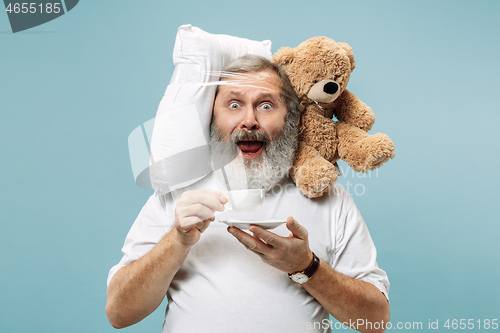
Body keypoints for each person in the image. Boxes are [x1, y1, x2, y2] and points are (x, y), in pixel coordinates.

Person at [106, 55, 390, 333]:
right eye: (234, 104)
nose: (249, 120)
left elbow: (375, 319)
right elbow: (119, 313)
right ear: (212, 114)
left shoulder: (329, 197)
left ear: (289, 117)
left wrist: (306, 266)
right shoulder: (177, 191)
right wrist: (177, 241)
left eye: (266, 105)